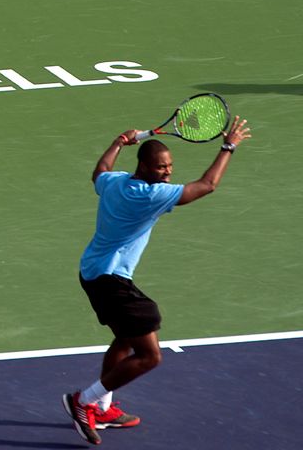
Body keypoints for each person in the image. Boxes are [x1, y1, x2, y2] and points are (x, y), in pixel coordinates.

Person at [62, 116, 251, 445]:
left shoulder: (115, 183)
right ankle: (84, 400)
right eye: (162, 167)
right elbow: (207, 185)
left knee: (125, 339)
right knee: (150, 355)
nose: (168, 172)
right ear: (145, 167)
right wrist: (228, 147)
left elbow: (100, 171)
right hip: (110, 280)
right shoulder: (150, 196)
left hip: (93, 270)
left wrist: (118, 142)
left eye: (170, 166)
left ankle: (103, 408)